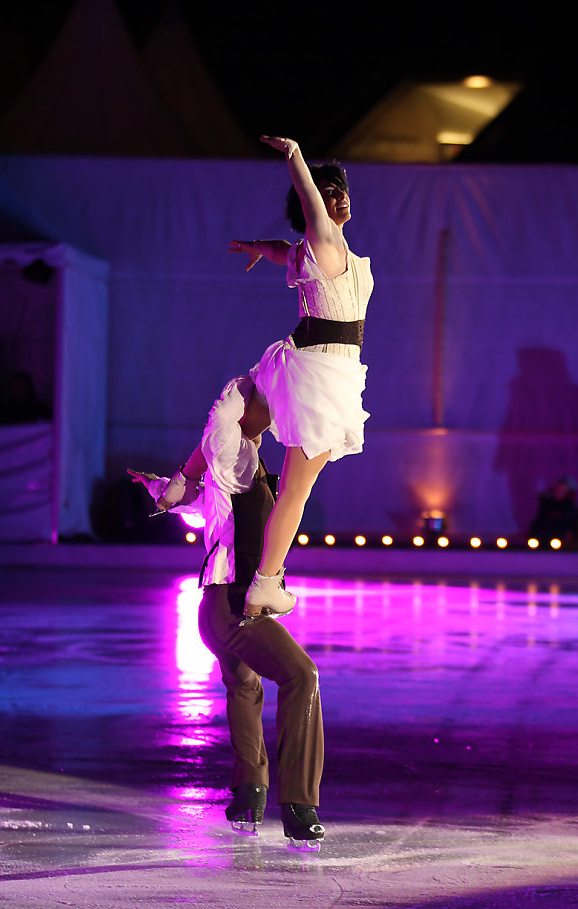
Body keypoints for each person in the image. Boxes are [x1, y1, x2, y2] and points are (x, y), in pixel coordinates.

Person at [161, 135, 374, 621]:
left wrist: (258, 247)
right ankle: (266, 584)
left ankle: (182, 482)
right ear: (314, 203)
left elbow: (285, 250)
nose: (338, 196)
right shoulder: (322, 236)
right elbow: (307, 208)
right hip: (323, 372)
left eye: (341, 188)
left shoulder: (315, 248)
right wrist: (296, 157)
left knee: (246, 422)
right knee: (296, 489)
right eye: (328, 191)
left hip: (300, 361)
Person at [128, 375, 325, 849]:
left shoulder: (242, 467)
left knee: (245, 688)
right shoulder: (233, 455)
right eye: (264, 406)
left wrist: (166, 487)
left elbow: (193, 501)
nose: (273, 412)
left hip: (224, 606)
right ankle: (299, 804)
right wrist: (258, 378)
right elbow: (220, 423)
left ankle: (247, 796)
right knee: (302, 676)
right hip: (232, 606)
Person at [528, 476, 578, 545]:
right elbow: (538, 523)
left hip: (562, 542)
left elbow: (570, 525)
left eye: (562, 490)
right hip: (543, 540)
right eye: (557, 489)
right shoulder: (547, 504)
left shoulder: (570, 507)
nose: (559, 492)